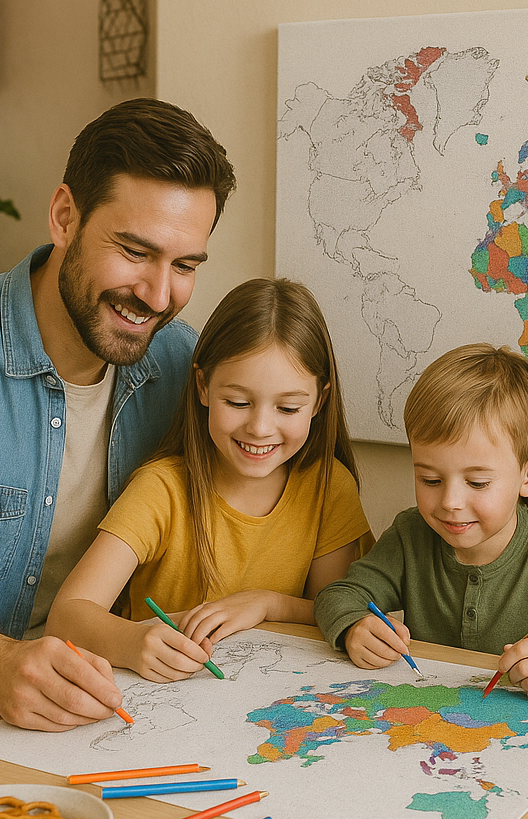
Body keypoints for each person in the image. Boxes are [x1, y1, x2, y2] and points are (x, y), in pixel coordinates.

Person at [0, 98, 237, 730]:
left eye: (185, 265)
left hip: (125, 709)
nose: (158, 295)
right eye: (134, 251)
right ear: (64, 218)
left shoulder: (182, 365)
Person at [48, 278, 373, 682]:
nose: (260, 428)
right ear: (203, 386)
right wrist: (132, 641)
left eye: (288, 408)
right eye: (238, 402)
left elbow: (335, 608)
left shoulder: (328, 486)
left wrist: (266, 604)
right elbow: (66, 616)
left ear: (319, 401)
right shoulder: (161, 490)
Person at [313, 343, 528, 693]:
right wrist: (354, 626)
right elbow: (339, 595)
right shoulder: (410, 535)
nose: (451, 502)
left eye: (477, 483)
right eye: (430, 480)